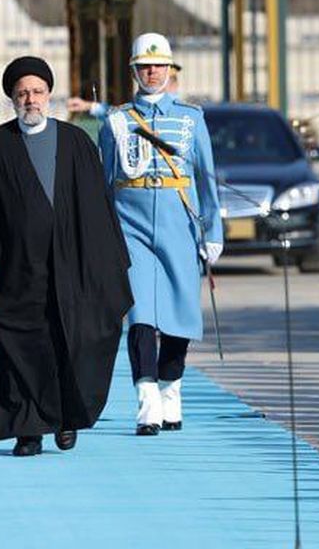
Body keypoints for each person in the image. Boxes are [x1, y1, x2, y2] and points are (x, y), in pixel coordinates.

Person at [0, 56, 133, 456]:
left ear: (49, 95)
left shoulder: (76, 144)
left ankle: (66, 418)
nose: (30, 99)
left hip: (71, 267)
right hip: (17, 269)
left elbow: (99, 211)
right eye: (22, 93)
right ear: (12, 98)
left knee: (71, 343)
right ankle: (28, 429)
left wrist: (111, 272)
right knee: (21, 347)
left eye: (37, 92)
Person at [98, 33, 223, 436]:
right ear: (134, 70)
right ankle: (147, 400)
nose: (152, 72)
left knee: (179, 315)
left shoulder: (191, 118)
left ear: (170, 70)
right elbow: (104, 180)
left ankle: (171, 388)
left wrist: (213, 230)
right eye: (144, 66)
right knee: (139, 315)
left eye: (159, 65)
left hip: (178, 224)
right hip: (129, 224)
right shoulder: (116, 121)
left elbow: (207, 180)